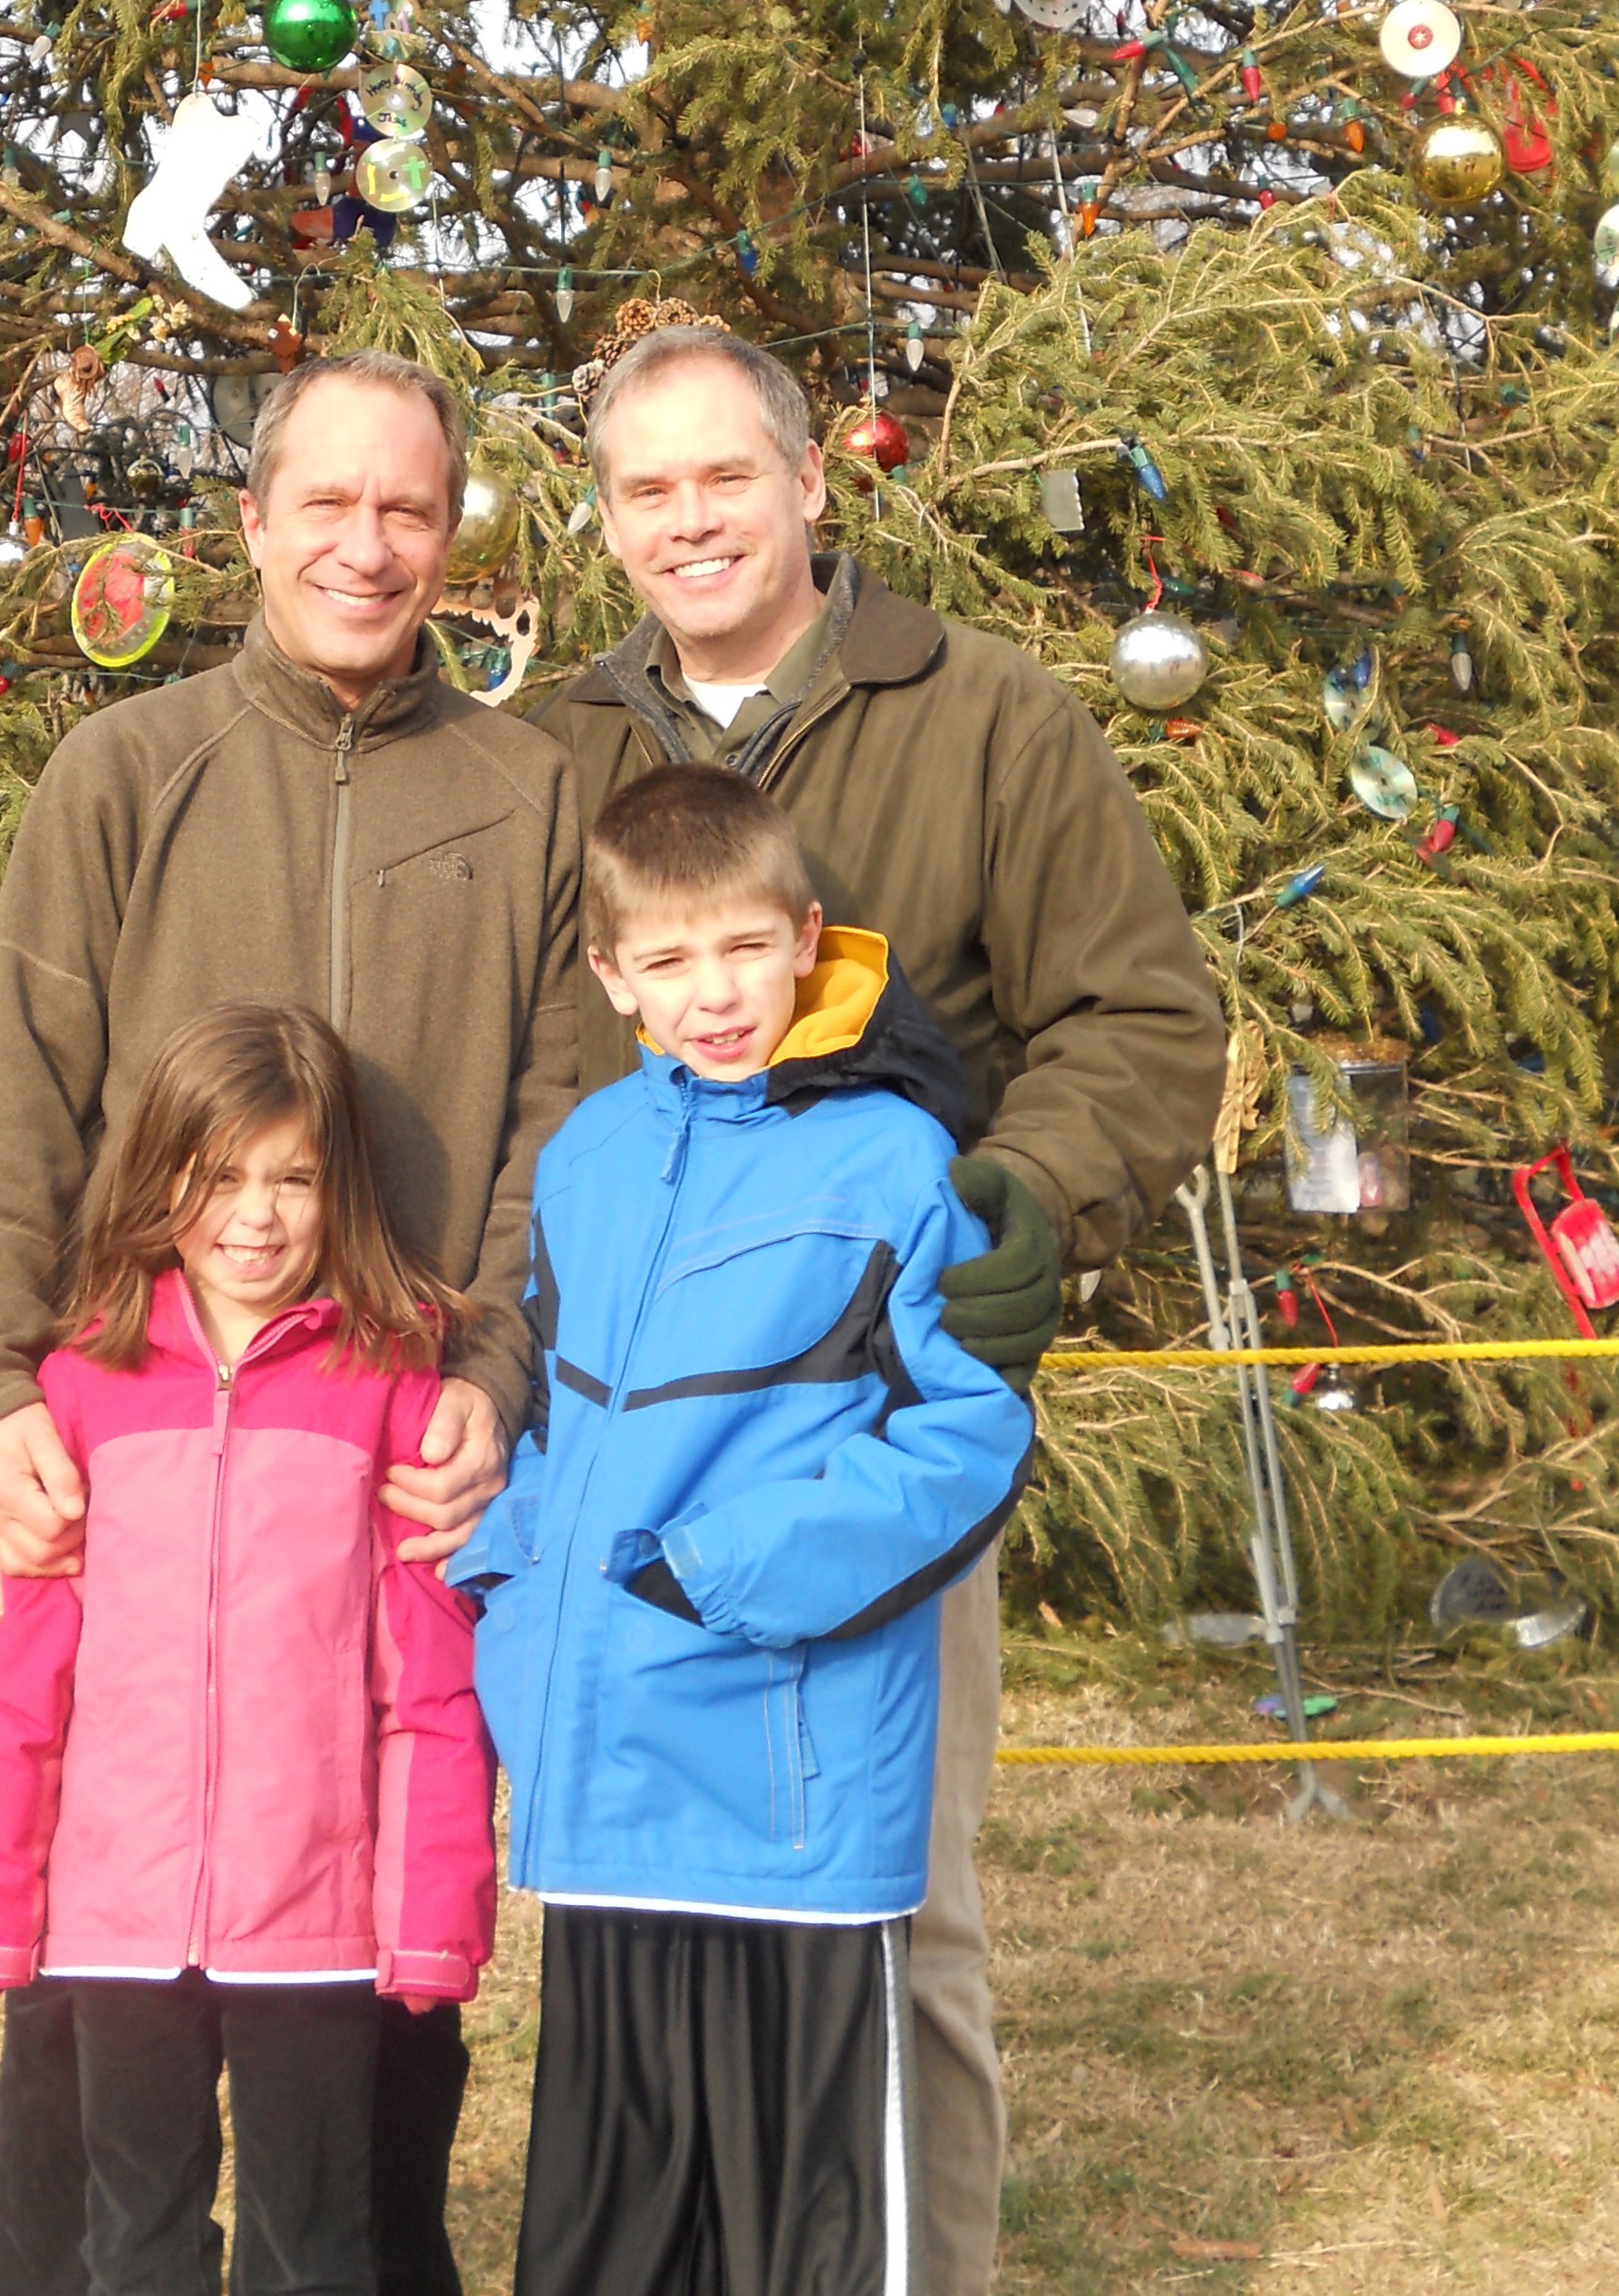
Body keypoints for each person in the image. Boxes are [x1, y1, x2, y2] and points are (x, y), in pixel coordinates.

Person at [538, 319, 1227, 2296]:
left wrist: (1029, 1191)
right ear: (605, 520)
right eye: (646, 488)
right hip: (644, 1436)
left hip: (870, 1433)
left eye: (723, 474)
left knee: (893, 1902)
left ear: (808, 482)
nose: (691, 519)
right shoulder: (564, 746)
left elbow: (1142, 1012)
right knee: (649, 1908)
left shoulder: (986, 714)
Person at [0, 350, 585, 2296]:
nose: (365, 545)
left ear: (450, 534)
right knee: (88, 2023)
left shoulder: (529, 790)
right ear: (254, 522)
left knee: (374, 1998)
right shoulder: (123, 776)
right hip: (130, 1483)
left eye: (406, 509)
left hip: (376, 1486)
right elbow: (11, 1119)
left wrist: (494, 1368)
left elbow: (565, 1130)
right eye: (328, 503)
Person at [462, 764, 1035, 2296]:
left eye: (740, 950)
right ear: (612, 976)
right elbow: (550, 1411)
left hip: (787, 1776)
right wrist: (512, 1580)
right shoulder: (586, 1153)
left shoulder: (898, 1157)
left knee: (803, 2234)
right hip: (600, 1780)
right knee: (616, 2223)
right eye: (667, 961)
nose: (711, 994)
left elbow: (964, 1439)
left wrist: (712, 1577)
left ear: (805, 937)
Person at [0, 1002, 498, 2296]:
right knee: (133, 2242)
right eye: (219, 1175)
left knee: (317, 2245)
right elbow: (27, 1685)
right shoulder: (80, 1387)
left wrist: (430, 1914)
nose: (257, 1214)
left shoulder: (391, 1388)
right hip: (115, 1926)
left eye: (293, 1177)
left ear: (336, 1188)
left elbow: (429, 1691)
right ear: (159, 1179)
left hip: (318, 1927)